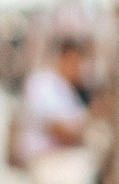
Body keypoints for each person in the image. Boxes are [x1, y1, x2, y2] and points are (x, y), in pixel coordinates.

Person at [14, 36, 91, 168]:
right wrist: (86, 135)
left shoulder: (68, 88)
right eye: (76, 62)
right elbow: (57, 130)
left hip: (61, 163)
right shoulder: (43, 83)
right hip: (43, 164)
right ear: (64, 58)